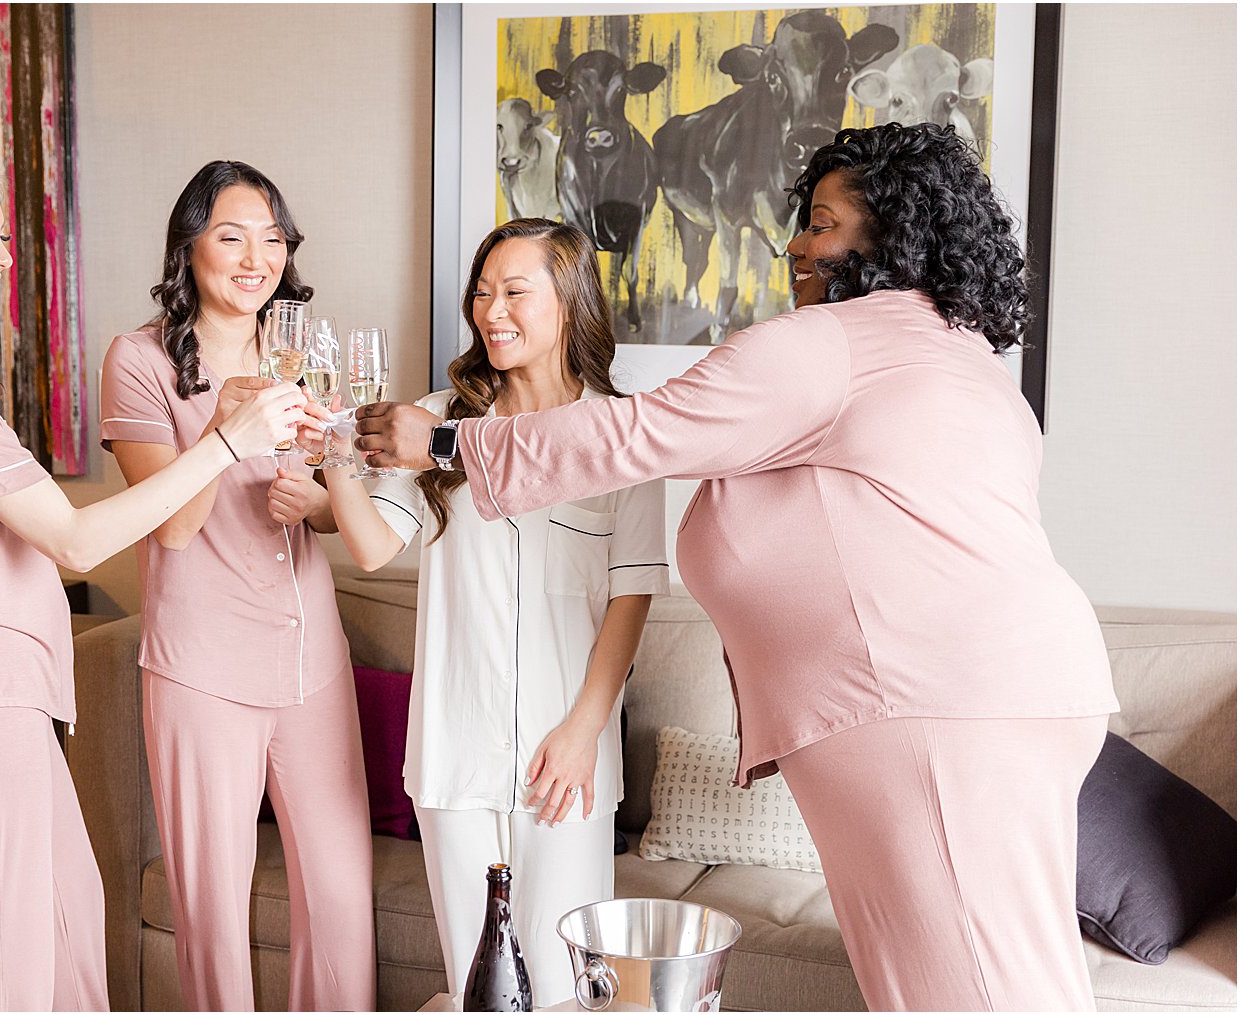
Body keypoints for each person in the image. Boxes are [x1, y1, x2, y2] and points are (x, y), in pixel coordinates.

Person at [351, 124, 1120, 1012]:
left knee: (974, 989)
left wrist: (445, 438)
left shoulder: (832, 346)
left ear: (890, 233)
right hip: (997, 695)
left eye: (823, 223)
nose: (796, 242)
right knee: (959, 975)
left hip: (928, 709)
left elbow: (635, 434)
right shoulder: (966, 360)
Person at [0, 148, 309, 1011]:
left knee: (71, 931)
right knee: (1, 970)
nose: (5, 256)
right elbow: (76, 538)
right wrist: (227, 445)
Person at [323, 218, 666, 1005]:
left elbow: (632, 592)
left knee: (561, 988)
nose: (492, 310)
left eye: (515, 291)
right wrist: (337, 455)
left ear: (569, 302)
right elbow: (373, 545)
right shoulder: (436, 417)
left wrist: (584, 732)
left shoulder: (621, 433)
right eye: (483, 292)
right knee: (480, 987)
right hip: (455, 749)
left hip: (565, 755)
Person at [99, 160, 376, 1011]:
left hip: (310, 663)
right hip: (202, 671)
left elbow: (343, 503)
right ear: (188, 248)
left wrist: (317, 501)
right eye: (231, 236)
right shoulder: (139, 360)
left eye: (272, 239)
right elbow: (172, 528)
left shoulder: (305, 352)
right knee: (212, 914)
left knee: (338, 904)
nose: (256, 258)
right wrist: (227, 425)